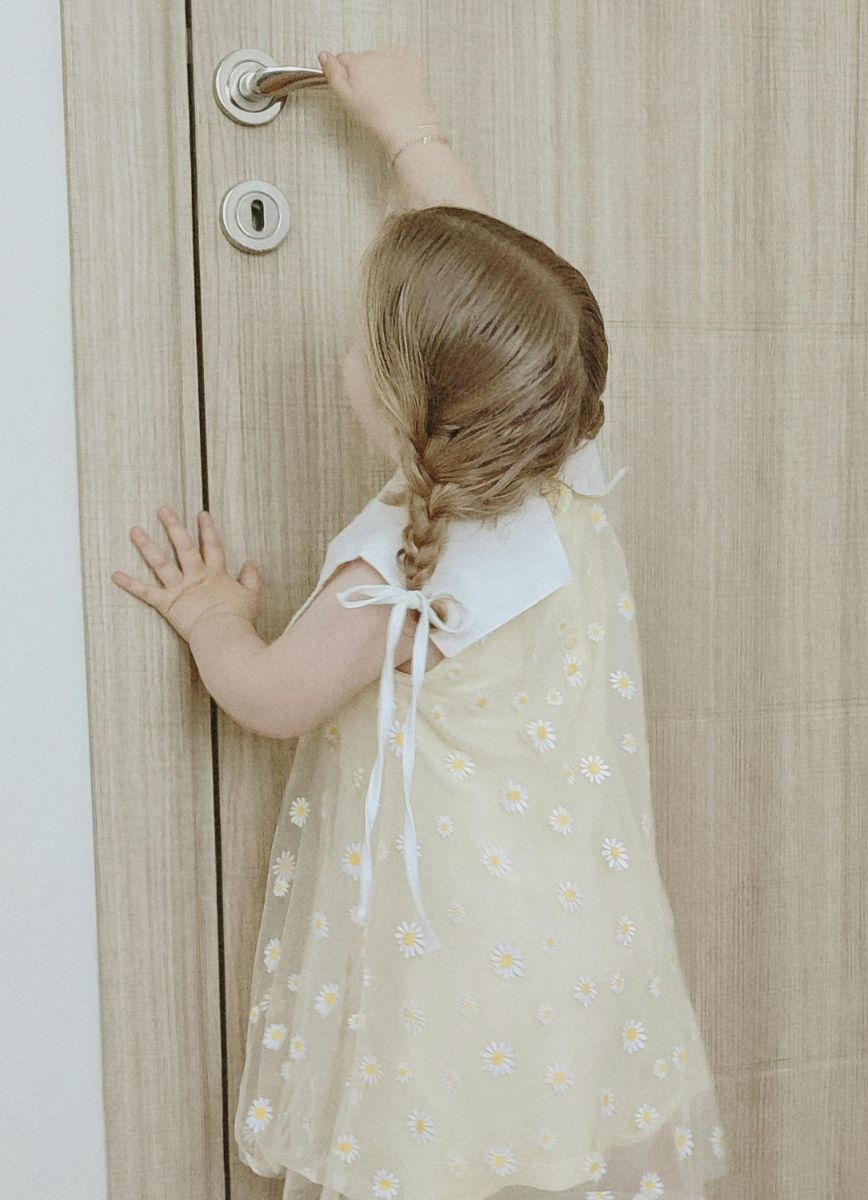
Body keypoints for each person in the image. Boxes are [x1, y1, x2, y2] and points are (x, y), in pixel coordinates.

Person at [111, 43, 729, 1200]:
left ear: (410, 408)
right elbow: (496, 296)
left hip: (457, 967)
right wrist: (411, 133)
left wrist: (209, 617)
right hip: (583, 943)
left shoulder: (393, 572)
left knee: (453, 1165)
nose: (344, 350)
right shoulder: (564, 464)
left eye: (363, 342)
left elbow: (272, 697)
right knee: (560, 1155)